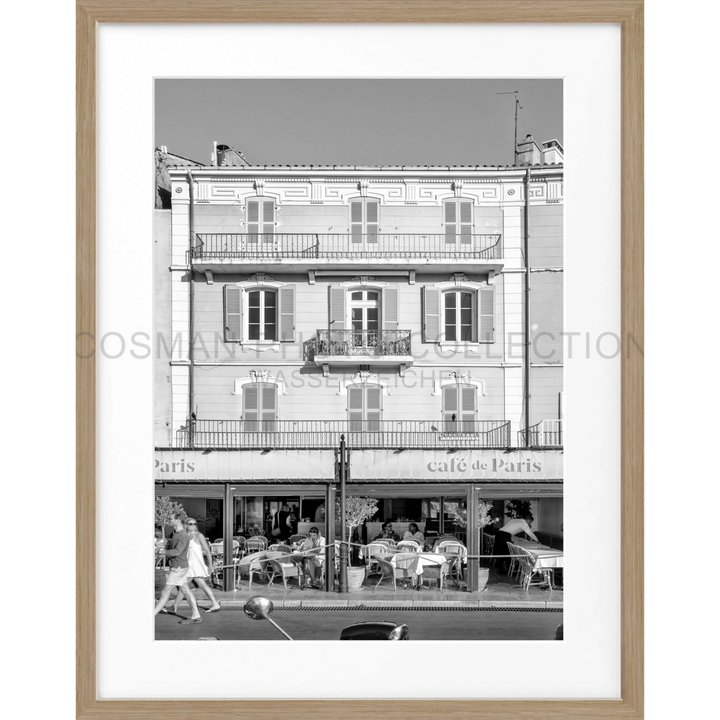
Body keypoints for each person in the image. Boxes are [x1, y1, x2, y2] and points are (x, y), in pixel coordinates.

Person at [154, 513, 203, 624]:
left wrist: (163, 551)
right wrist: (165, 547)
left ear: (178, 520)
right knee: (185, 590)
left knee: (165, 592)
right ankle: (196, 615)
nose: (169, 520)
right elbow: (177, 548)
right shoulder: (177, 534)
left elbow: (177, 551)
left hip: (178, 567)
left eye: (171, 518)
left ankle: (150, 616)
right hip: (180, 566)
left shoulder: (181, 535)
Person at [170, 517, 222, 614]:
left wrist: (210, 565)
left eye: (195, 524)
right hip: (187, 563)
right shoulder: (184, 536)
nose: (193, 526)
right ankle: (215, 604)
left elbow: (207, 551)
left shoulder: (199, 535)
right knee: (201, 584)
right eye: (190, 524)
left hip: (195, 564)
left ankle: (174, 607)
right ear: (185, 525)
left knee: (183, 585)